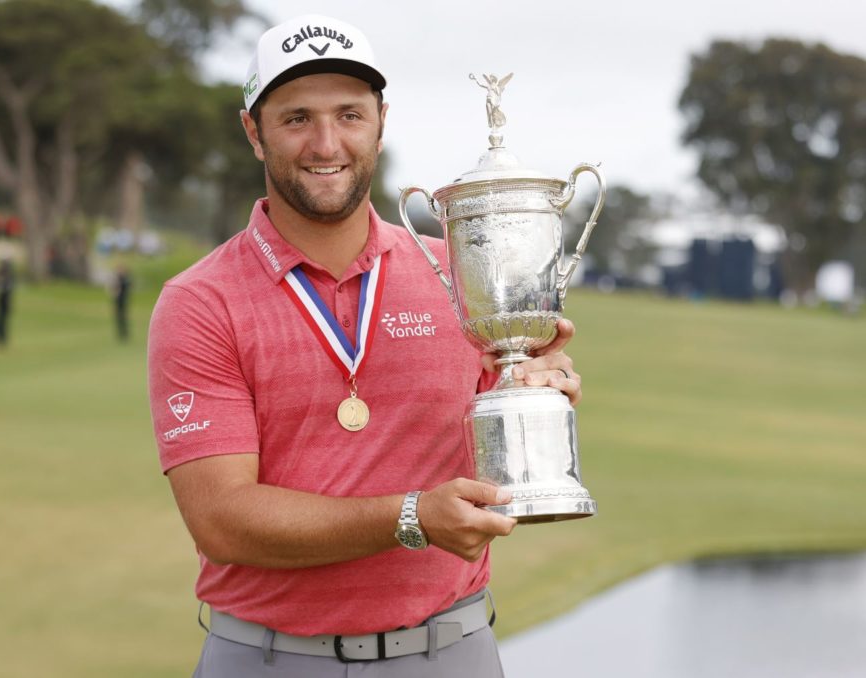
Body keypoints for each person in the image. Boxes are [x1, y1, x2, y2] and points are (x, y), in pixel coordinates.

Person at [147, 14, 583, 677]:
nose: (327, 143)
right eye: (297, 118)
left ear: (381, 119)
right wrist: (411, 516)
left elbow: (495, 460)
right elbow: (223, 519)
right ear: (253, 132)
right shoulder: (200, 301)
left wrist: (533, 400)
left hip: (451, 650)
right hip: (271, 659)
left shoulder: (462, 278)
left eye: (349, 114)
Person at [0, 258, 14, 346]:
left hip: (4, 304)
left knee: (2, 323)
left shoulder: (7, 279)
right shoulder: (4, 279)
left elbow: (5, 291)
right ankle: (0, 338)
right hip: (1, 304)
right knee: (0, 322)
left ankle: (2, 339)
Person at [111, 264, 131, 342]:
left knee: (124, 318)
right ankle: (120, 333)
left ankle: (125, 333)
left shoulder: (125, 279)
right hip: (117, 301)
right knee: (118, 318)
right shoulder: (117, 279)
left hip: (123, 301)